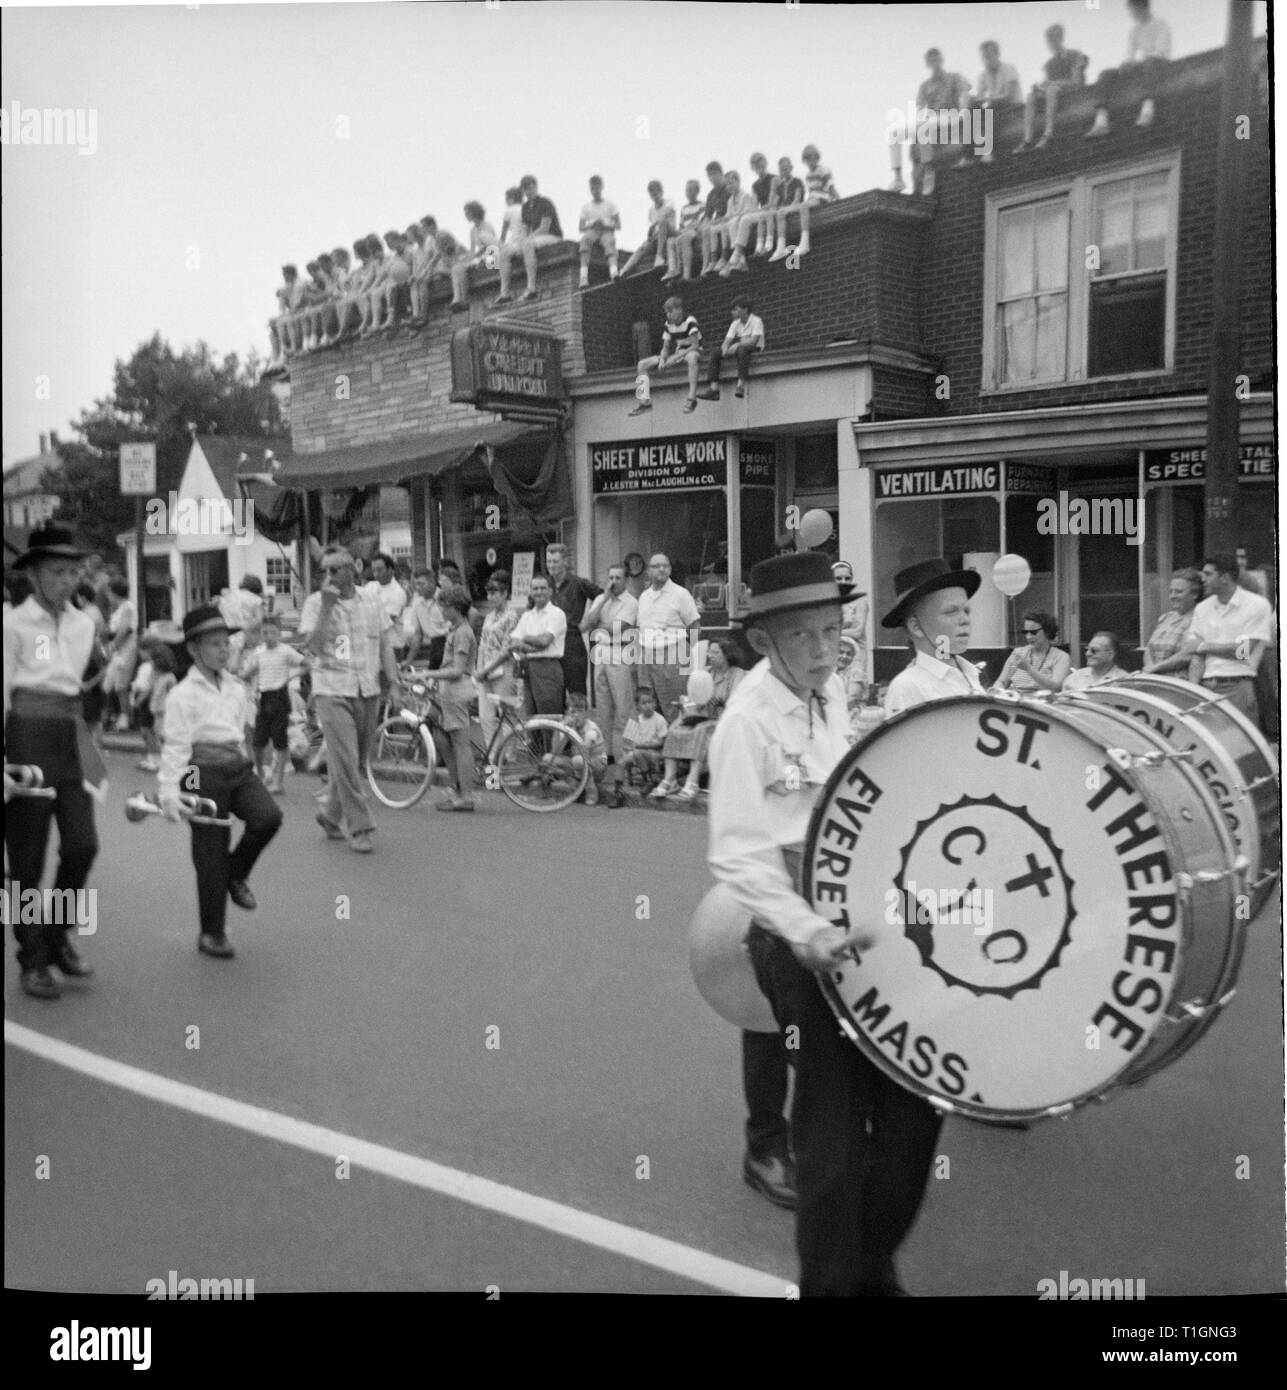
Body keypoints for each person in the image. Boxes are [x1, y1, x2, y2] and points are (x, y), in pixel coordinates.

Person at [708, 552, 939, 1294]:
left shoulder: (830, 690)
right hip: (796, 944)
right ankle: (837, 1283)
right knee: (832, 1140)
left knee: (911, 1122)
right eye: (801, 635)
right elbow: (738, 855)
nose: (820, 648)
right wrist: (804, 932)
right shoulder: (744, 723)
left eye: (830, 630)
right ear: (764, 640)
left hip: (866, 925)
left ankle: (867, 1264)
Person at [3, 524, 106, 999]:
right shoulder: (11, 624)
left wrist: (92, 744)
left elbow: (83, 687)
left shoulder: (85, 623)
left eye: (73, 571)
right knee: (26, 860)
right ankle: (32, 958)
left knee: (83, 845)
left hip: (72, 735)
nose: (68, 580)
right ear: (34, 576)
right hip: (26, 736)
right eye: (58, 572)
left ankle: (57, 934)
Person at [157, 606, 283, 960]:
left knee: (268, 817)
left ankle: (236, 873)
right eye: (214, 644)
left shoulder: (236, 687)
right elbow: (176, 747)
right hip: (199, 770)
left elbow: (240, 734)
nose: (224, 650)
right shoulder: (182, 694)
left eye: (226, 643)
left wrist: (254, 767)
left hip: (236, 766)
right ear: (194, 650)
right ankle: (211, 933)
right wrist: (170, 791)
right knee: (210, 853)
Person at [298, 546, 403, 854]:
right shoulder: (315, 603)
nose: (328, 576)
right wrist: (328, 608)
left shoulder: (372, 600)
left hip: (366, 687)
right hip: (331, 688)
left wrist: (394, 685)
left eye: (334, 570)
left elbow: (385, 646)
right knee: (344, 760)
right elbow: (313, 649)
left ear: (352, 571)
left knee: (355, 761)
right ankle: (361, 828)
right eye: (324, 571)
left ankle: (330, 814)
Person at [882, 558, 985, 715]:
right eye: (951, 611)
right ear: (916, 627)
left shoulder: (970, 672)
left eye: (966, 611)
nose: (965, 620)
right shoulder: (907, 687)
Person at [1180, 555, 1274, 725]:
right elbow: (1194, 653)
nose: (1203, 579)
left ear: (1225, 577)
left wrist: (1203, 646)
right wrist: (1193, 689)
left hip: (1237, 687)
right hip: (1205, 687)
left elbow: (1242, 651)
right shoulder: (1203, 608)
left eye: (1208, 574)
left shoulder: (1257, 605)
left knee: (1241, 745)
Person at [653, 637, 745, 802]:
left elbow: (737, 704)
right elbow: (694, 698)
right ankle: (669, 779)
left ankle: (692, 781)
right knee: (674, 728)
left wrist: (717, 702)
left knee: (702, 731)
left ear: (727, 655)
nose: (710, 655)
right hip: (701, 717)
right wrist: (688, 702)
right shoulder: (705, 673)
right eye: (710, 651)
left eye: (715, 652)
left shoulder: (736, 675)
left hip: (724, 721)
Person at [415, 584, 478, 812]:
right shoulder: (455, 630)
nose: (441, 611)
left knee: (461, 744)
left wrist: (428, 673)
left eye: (444, 606)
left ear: (454, 608)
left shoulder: (462, 633)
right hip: (447, 692)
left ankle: (466, 796)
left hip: (457, 691)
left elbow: (458, 670)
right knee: (441, 737)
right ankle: (455, 787)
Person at [240, 613, 308, 793]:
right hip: (263, 697)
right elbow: (251, 670)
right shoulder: (259, 652)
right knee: (258, 741)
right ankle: (261, 775)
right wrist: (243, 677)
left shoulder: (285, 651)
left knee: (280, 742)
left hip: (279, 696)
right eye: (265, 633)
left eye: (272, 632)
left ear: (279, 633)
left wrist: (291, 676)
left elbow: (305, 664)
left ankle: (278, 782)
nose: (268, 636)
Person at [890, 50, 972, 197]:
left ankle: (929, 170)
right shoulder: (925, 86)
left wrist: (963, 112)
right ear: (928, 64)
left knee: (923, 125)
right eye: (931, 61)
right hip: (932, 122)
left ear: (941, 60)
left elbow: (964, 95)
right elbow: (921, 109)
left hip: (951, 117)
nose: (935, 64)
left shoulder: (954, 77)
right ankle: (898, 178)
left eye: (937, 60)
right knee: (894, 132)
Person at [581, 561, 639, 764]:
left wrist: (598, 623)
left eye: (618, 578)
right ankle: (606, 754)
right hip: (600, 653)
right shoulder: (600, 598)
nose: (613, 582)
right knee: (603, 708)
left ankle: (629, 751)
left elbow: (616, 628)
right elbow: (586, 624)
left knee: (625, 707)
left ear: (626, 580)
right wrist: (605, 597)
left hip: (620, 651)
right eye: (611, 578)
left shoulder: (631, 602)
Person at [1087, 0, 1172, 136]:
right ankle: (1101, 121)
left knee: (1150, 62)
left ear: (1141, 7)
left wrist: (1138, 63)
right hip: (1142, 66)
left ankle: (1147, 110)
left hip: (1158, 63)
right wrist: (1127, 63)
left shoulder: (1160, 24)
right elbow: (1130, 54)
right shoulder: (1135, 30)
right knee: (1106, 74)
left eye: (1132, 10)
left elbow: (1161, 51)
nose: (1131, 13)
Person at [636, 552, 701, 718]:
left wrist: (690, 657)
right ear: (648, 571)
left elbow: (694, 626)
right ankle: (653, 743)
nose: (662, 569)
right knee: (646, 705)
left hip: (673, 654)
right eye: (657, 566)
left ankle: (678, 742)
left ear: (670, 570)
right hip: (647, 655)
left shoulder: (681, 594)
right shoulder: (644, 596)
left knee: (674, 706)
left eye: (665, 566)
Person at [1015, 24, 1089, 152]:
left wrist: (1052, 84)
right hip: (1054, 93)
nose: (1051, 44)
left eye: (1054, 39)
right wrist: (1039, 87)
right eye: (1049, 41)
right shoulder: (1049, 64)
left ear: (1061, 38)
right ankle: (1028, 139)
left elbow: (1076, 82)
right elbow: (1048, 82)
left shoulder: (1074, 54)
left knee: (1052, 89)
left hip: (1072, 94)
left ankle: (1048, 133)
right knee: (1031, 96)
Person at [545, 542, 601, 705]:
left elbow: (601, 596)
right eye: (548, 561)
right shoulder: (543, 585)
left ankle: (579, 730)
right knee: (553, 698)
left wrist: (589, 620)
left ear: (565, 562)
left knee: (577, 697)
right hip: (549, 645)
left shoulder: (578, 583)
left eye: (555, 561)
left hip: (572, 645)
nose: (551, 565)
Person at [629, 295, 703, 416]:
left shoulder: (690, 321)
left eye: (670, 311)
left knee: (692, 357)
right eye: (666, 312)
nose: (668, 315)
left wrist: (675, 358)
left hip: (693, 351)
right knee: (642, 364)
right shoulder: (668, 324)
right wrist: (663, 359)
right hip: (678, 354)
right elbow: (665, 347)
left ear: (679, 310)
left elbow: (695, 345)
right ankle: (645, 402)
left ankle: (692, 398)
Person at [495, 174, 563, 305]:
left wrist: (527, 240)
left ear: (536, 187)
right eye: (526, 189)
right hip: (534, 238)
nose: (529, 192)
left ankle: (531, 288)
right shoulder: (525, 207)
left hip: (552, 236)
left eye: (531, 188)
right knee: (505, 251)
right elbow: (525, 229)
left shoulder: (545, 203)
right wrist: (520, 242)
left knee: (527, 244)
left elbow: (544, 228)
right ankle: (504, 293)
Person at [474, 570, 520, 758]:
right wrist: (479, 670)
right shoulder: (488, 616)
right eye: (489, 593)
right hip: (486, 673)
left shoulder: (512, 616)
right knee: (486, 719)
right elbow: (483, 645)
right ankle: (493, 764)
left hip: (503, 671)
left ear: (505, 594)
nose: (490, 597)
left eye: (495, 593)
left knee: (506, 718)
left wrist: (487, 668)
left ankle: (508, 761)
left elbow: (506, 650)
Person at [509, 573, 567, 715]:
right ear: (530, 591)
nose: (539, 591)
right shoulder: (527, 616)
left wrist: (526, 638)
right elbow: (514, 642)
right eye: (535, 588)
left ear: (550, 591)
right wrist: (530, 646)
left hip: (548, 667)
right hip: (528, 668)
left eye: (542, 588)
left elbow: (545, 641)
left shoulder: (556, 614)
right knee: (530, 717)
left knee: (548, 717)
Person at [957, 39, 1023, 166]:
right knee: (974, 110)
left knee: (991, 109)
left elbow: (1008, 96)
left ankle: (988, 152)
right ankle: (968, 155)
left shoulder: (1008, 69)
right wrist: (970, 100)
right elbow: (980, 97)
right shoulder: (983, 74)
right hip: (995, 107)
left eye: (989, 56)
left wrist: (986, 100)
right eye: (984, 57)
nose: (986, 60)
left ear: (997, 55)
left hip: (1013, 107)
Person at [700, 297, 765, 400]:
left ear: (745, 309)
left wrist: (738, 344)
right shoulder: (735, 323)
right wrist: (725, 350)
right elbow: (726, 341)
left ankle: (740, 386)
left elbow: (753, 341)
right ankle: (714, 389)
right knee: (715, 353)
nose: (733, 312)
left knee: (741, 350)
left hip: (754, 348)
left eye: (736, 309)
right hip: (740, 347)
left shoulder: (756, 321)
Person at [1141, 569, 1204, 674]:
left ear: (1195, 594)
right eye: (1170, 591)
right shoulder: (1165, 618)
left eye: (1179, 592)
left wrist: (1156, 667)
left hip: (1179, 682)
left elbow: (1187, 655)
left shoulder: (1199, 619)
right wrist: (1150, 667)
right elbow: (1149, 649)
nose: (1173, 596)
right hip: (1155, 679)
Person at [994, 611, 1073, 693]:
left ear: (1047, 631)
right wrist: (996, 691)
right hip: (1015, 699)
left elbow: (1056, 688)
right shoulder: (1018, 653)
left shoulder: (1061, 657)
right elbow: (1002, 682)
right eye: (1025, 632)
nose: (1028, 637)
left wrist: (1029, 669)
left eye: (1033, 632)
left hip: (1042, 701)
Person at [103, 576, 138, 731]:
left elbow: (124, 630)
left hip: (127, 649)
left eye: (109, 592)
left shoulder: (127, 607)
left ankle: (126, 717)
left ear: (114, 592)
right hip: (120, 650)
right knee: (112, 683)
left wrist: (111, 646)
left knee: (121, 685)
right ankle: (116, 715)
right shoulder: (119, 608)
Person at [620, 181, 675, 277]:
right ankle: (625, 270)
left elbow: (663, 218)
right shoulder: (651, 210)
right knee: (643, 247)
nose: (655, 197)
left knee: (662, 223)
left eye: (656, 193)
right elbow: (653, 227)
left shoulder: (669, 202)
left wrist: (654, 225)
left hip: (669, 233)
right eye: (652, 194)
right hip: (657, 237)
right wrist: (650, 235)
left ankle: (660, 257)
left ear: (661, 192)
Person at [831, 560, 869, 699]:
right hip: (834, 654)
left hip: (855, 655)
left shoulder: (859, 602)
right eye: (838, 578)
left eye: (847, 578)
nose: (843, 581)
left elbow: (858, 632)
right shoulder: (828, 603)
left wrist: (831, 632)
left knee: (852, 694)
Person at [563, 692, 608, 806]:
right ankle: (576, 785)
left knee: (578, 760)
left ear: (586, 713)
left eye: (580, 711)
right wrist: (562, 729)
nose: (576, 715)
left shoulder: (591, 728)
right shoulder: (569, 725)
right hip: (579, 764)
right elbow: (555, 751)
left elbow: (584, 751)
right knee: (548, 759)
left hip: (597, 765)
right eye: (573, 711)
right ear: (568, 712)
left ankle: (591, 791)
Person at [618, 685, 668, 787]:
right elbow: (629, 741)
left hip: (654, 752)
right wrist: (629, 749)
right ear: (637, 706)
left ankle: (647, 779)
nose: (648, 706)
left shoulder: (659, 719)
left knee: (637, 753)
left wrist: (644, 746)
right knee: (621, 761)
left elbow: (662, 742)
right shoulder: (636, 719)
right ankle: (618, 789)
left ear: (655, 703)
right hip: (638, 750)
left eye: (650, 702)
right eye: (644, 703)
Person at [404, 566, 452, 670]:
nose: (417, 587)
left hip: (451, 644)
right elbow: (418, 636)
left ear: (432, 583)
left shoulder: (446, 598)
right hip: (435, 648)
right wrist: (408, 662)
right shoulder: (417, 604)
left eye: (420, 584)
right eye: (415, 584)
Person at [578, 174, 621, 289]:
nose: (595, 191)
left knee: (609, 243)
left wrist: (606, 224)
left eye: (597, 188)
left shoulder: (610, 204)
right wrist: (592, 224)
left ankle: (614, 272)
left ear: (601, 187)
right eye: (592, 188)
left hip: (606, 231)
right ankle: (583, 277)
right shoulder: (586, 207)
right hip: (592, 231)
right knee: (584, 240)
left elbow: (618, 225)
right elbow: (581, 227)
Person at [453, 201, 498, 310]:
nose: (466, 215)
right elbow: (472, 250)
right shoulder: (472, 231)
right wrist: (465, 260)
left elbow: (490, 245)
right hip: (479, 257)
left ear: (474, 212)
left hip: (491, 254)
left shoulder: (486, 225)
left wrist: (475, 257)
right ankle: (460, 298)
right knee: (457, 268)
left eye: (467, 212)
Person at [712, 169, 757, 277]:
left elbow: (748, 211)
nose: (729, 187)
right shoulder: (730, 200)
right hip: (735, 222)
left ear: (738, 182)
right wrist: (719, 220)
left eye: (731, 183)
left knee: (734, 222)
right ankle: (735, 260)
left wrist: (732, 218)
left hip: (747, 222)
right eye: (727, 185)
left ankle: (735, 258)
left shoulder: (745, 196)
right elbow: (728, 215)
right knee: (718, 228)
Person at [365, 552, 409, 661]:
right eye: (374, 570)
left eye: (379, 570)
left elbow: (386, 621)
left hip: (392, 647)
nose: (376, 574)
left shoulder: (398, 592)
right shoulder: (370, 587)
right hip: (373, 646)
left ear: (390, 570)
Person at [664, 179, 706, 282]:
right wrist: (679, 231)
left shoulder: (702, 205)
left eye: (692, 190)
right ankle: (673, 270)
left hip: (694, 231)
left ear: (697, 191)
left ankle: (686, 274)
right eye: (687, 190)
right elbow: (681, 225)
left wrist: (685, 230)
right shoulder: (684, 208)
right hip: (684, 231)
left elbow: (699, 222)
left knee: (684, 238)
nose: (689, 193)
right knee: (670, 241)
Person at [767, 157, 807, 262]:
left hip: (794, 208)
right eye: (782, 170)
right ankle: (771, 243)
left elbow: (797, 200)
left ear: (791, 168)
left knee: (780, 212)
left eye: (786, 168)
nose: (784, 171)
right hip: (783, 211)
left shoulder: (797, 181)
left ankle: (781, 247)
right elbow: (775, 203)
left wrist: (785, 209)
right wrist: (771, 209)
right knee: (771, 213)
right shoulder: (780, 186)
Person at [1063, 630, 1129, 690]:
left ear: (1110, 655)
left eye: (1093, 650)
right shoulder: (1074, 678)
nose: (1087, 654)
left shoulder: (1124, 681)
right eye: (1086, 649)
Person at [698, 162, 731, 277]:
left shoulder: (729, 188)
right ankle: (707, 264)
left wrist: (715, 222)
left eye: (715, 174)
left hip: (729, 220)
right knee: (705, 230)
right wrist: (703, 226)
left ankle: (724, 259)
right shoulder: (711, 195)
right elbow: (707, 216)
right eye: (710, 175)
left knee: (715, 228)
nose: (712, 177)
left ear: (721, 173)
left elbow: (731, 211)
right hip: (716, 223)